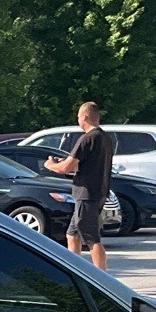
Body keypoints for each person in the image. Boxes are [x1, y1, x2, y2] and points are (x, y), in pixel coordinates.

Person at [45, 102, 114, 269]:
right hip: (97, 191)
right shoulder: (105, 138)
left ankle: (102, 278)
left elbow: (65, 167)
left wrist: (50, 165)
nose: (78, 120)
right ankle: (74, 271)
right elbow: (87, 163)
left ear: (84, 117)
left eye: (78, 117)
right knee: (72, 235)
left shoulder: (88, 138)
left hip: (87, 194)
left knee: (91, 238)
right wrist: (67, 163)